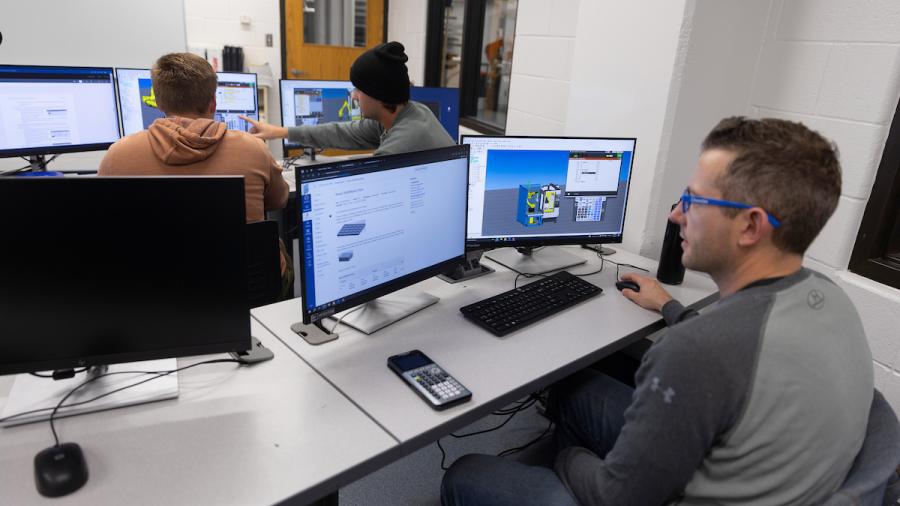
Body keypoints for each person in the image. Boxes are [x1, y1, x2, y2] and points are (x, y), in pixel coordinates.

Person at [441, 117, 875, 505]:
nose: (675, 214)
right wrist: (669, 307)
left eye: (694, 200)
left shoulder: (697, 353)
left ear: (750, 226)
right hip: (768, 477)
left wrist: (570, 461)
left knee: (467, 474)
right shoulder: (828, 297)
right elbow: (737, 361)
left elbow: (618, 496)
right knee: (575, 391)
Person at [99, 53, 291, 285]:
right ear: (214, 103)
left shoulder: (117, 155)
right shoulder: (254, 148)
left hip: (158, 292)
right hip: (245, 287)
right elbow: (279, 200)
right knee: (281, 253)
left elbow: (105, 224)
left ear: (159, 102)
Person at [242, 41, 455, 155]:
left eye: (358, 90)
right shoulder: (404, 113)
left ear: (379, 95)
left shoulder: (403, 142)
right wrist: (278, 132)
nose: (353, 96)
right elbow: (340, 133)